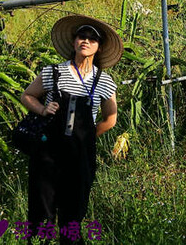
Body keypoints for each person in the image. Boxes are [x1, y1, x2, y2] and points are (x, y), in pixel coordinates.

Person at [20, 15, 121, 244]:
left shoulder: (104, 81)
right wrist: (43, 109)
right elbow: (26, 95)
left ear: (99, 47)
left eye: (91, 39)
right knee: (42, 210)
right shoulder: (53, 72)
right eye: (81, 36)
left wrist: (85, 137)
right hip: (48, 152)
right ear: (74, 41)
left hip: (81, 156)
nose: (85, 41)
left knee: (73, 212)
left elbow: (110, 118)